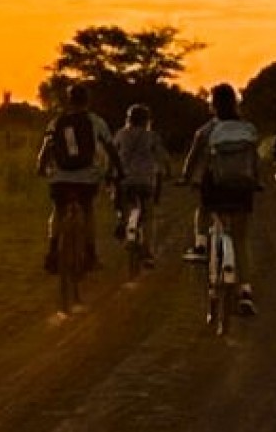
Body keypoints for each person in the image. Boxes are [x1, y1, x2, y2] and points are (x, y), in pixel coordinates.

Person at [179, 83, 261, 315]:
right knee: (241, 240)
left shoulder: (206, 131)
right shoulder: (248, 129)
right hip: (242, 190)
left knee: (204, 209)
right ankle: (245, 291)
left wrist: (185, 177)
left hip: (216, 189)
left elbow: (192, 159)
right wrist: (257, 181)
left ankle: (201, 246)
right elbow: (255, 161)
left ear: (212, 105)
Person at [35, 84, 123, 275]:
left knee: (58, 210)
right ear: (87, 101)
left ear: (69, 100)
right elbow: (110, 149)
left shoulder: (57, 122)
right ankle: (91, 255)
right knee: (88, 210)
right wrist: (119, 171)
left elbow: (47, 148)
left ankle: (52, 252)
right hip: (86, 177)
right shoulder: (96, 122)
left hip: (60, 177)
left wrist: (41, 168)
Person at [111, 103, 172, 266]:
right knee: (148, 214)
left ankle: (122, 221)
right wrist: (168, 171)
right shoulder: (151, 136)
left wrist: (110, 172)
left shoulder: (120, 134)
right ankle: (147, 251)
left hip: (124, 178)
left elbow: (113, 153)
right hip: (145, 180)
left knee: (121, 201)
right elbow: (163, 157)